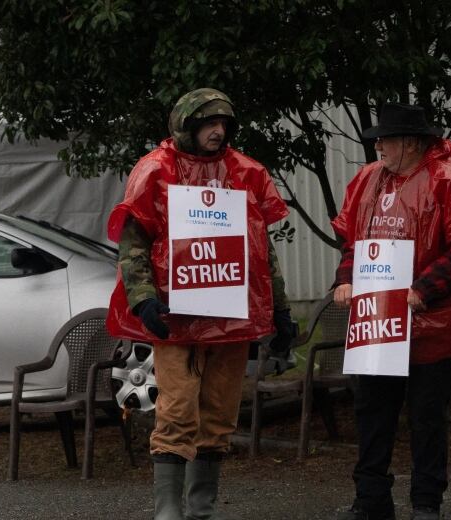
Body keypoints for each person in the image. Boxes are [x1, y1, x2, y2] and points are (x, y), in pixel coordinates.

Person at [331, 103, 451, 520]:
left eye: (386, 139)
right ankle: (371, 500)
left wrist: (423, 291)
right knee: (372, 411)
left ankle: (426, 504)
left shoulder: (450, 178)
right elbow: (353, 239)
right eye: (378, 139)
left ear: (412, 143)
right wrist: (345, 279)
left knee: (426, 416)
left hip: (428, 322)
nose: (378, 146)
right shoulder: (369, 179)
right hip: (377, 319)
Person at [106, 88, 295, 520]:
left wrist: (279, 309)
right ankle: (168, 512)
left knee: (220, 412)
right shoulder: (155, 170)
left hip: (230, 316)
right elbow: (133, 244)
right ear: (187, 125)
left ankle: (200, 511)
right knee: (176, 409)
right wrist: (143, 301)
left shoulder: (245, 172)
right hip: (177, 316)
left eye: (224, 124)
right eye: (209, 123)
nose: (218, 131)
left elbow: (262, 249)